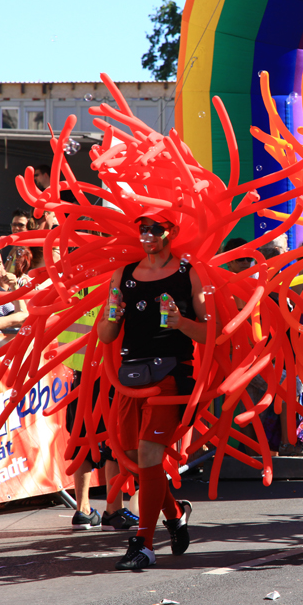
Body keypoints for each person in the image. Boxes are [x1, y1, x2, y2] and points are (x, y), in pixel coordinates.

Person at [97, 208, 209, 570]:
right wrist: (112, 316)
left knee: (147, 454)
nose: (146, 234)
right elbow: (106, 334)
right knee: (134, 455)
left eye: (154, 228)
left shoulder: (187, 274)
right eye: (142, 228)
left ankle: (143, 543)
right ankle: (175, 514)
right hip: (133, 375)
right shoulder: (124, 275)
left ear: (171, 232)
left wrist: (180, 323)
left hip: (171, 374)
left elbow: (212, 332)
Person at [59, 288, 137, 531]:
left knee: (82, 437)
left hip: (81, 369)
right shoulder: (112, 277)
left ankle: (82, 510)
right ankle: (113, 510)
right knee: (114, 437)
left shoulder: (67, 282)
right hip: (110, 368)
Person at [3, 209, 34, 278]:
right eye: (14, 225)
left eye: (21, 225)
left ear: (29, 227)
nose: (16, 228)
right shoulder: (14, 250)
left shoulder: (33, 250)